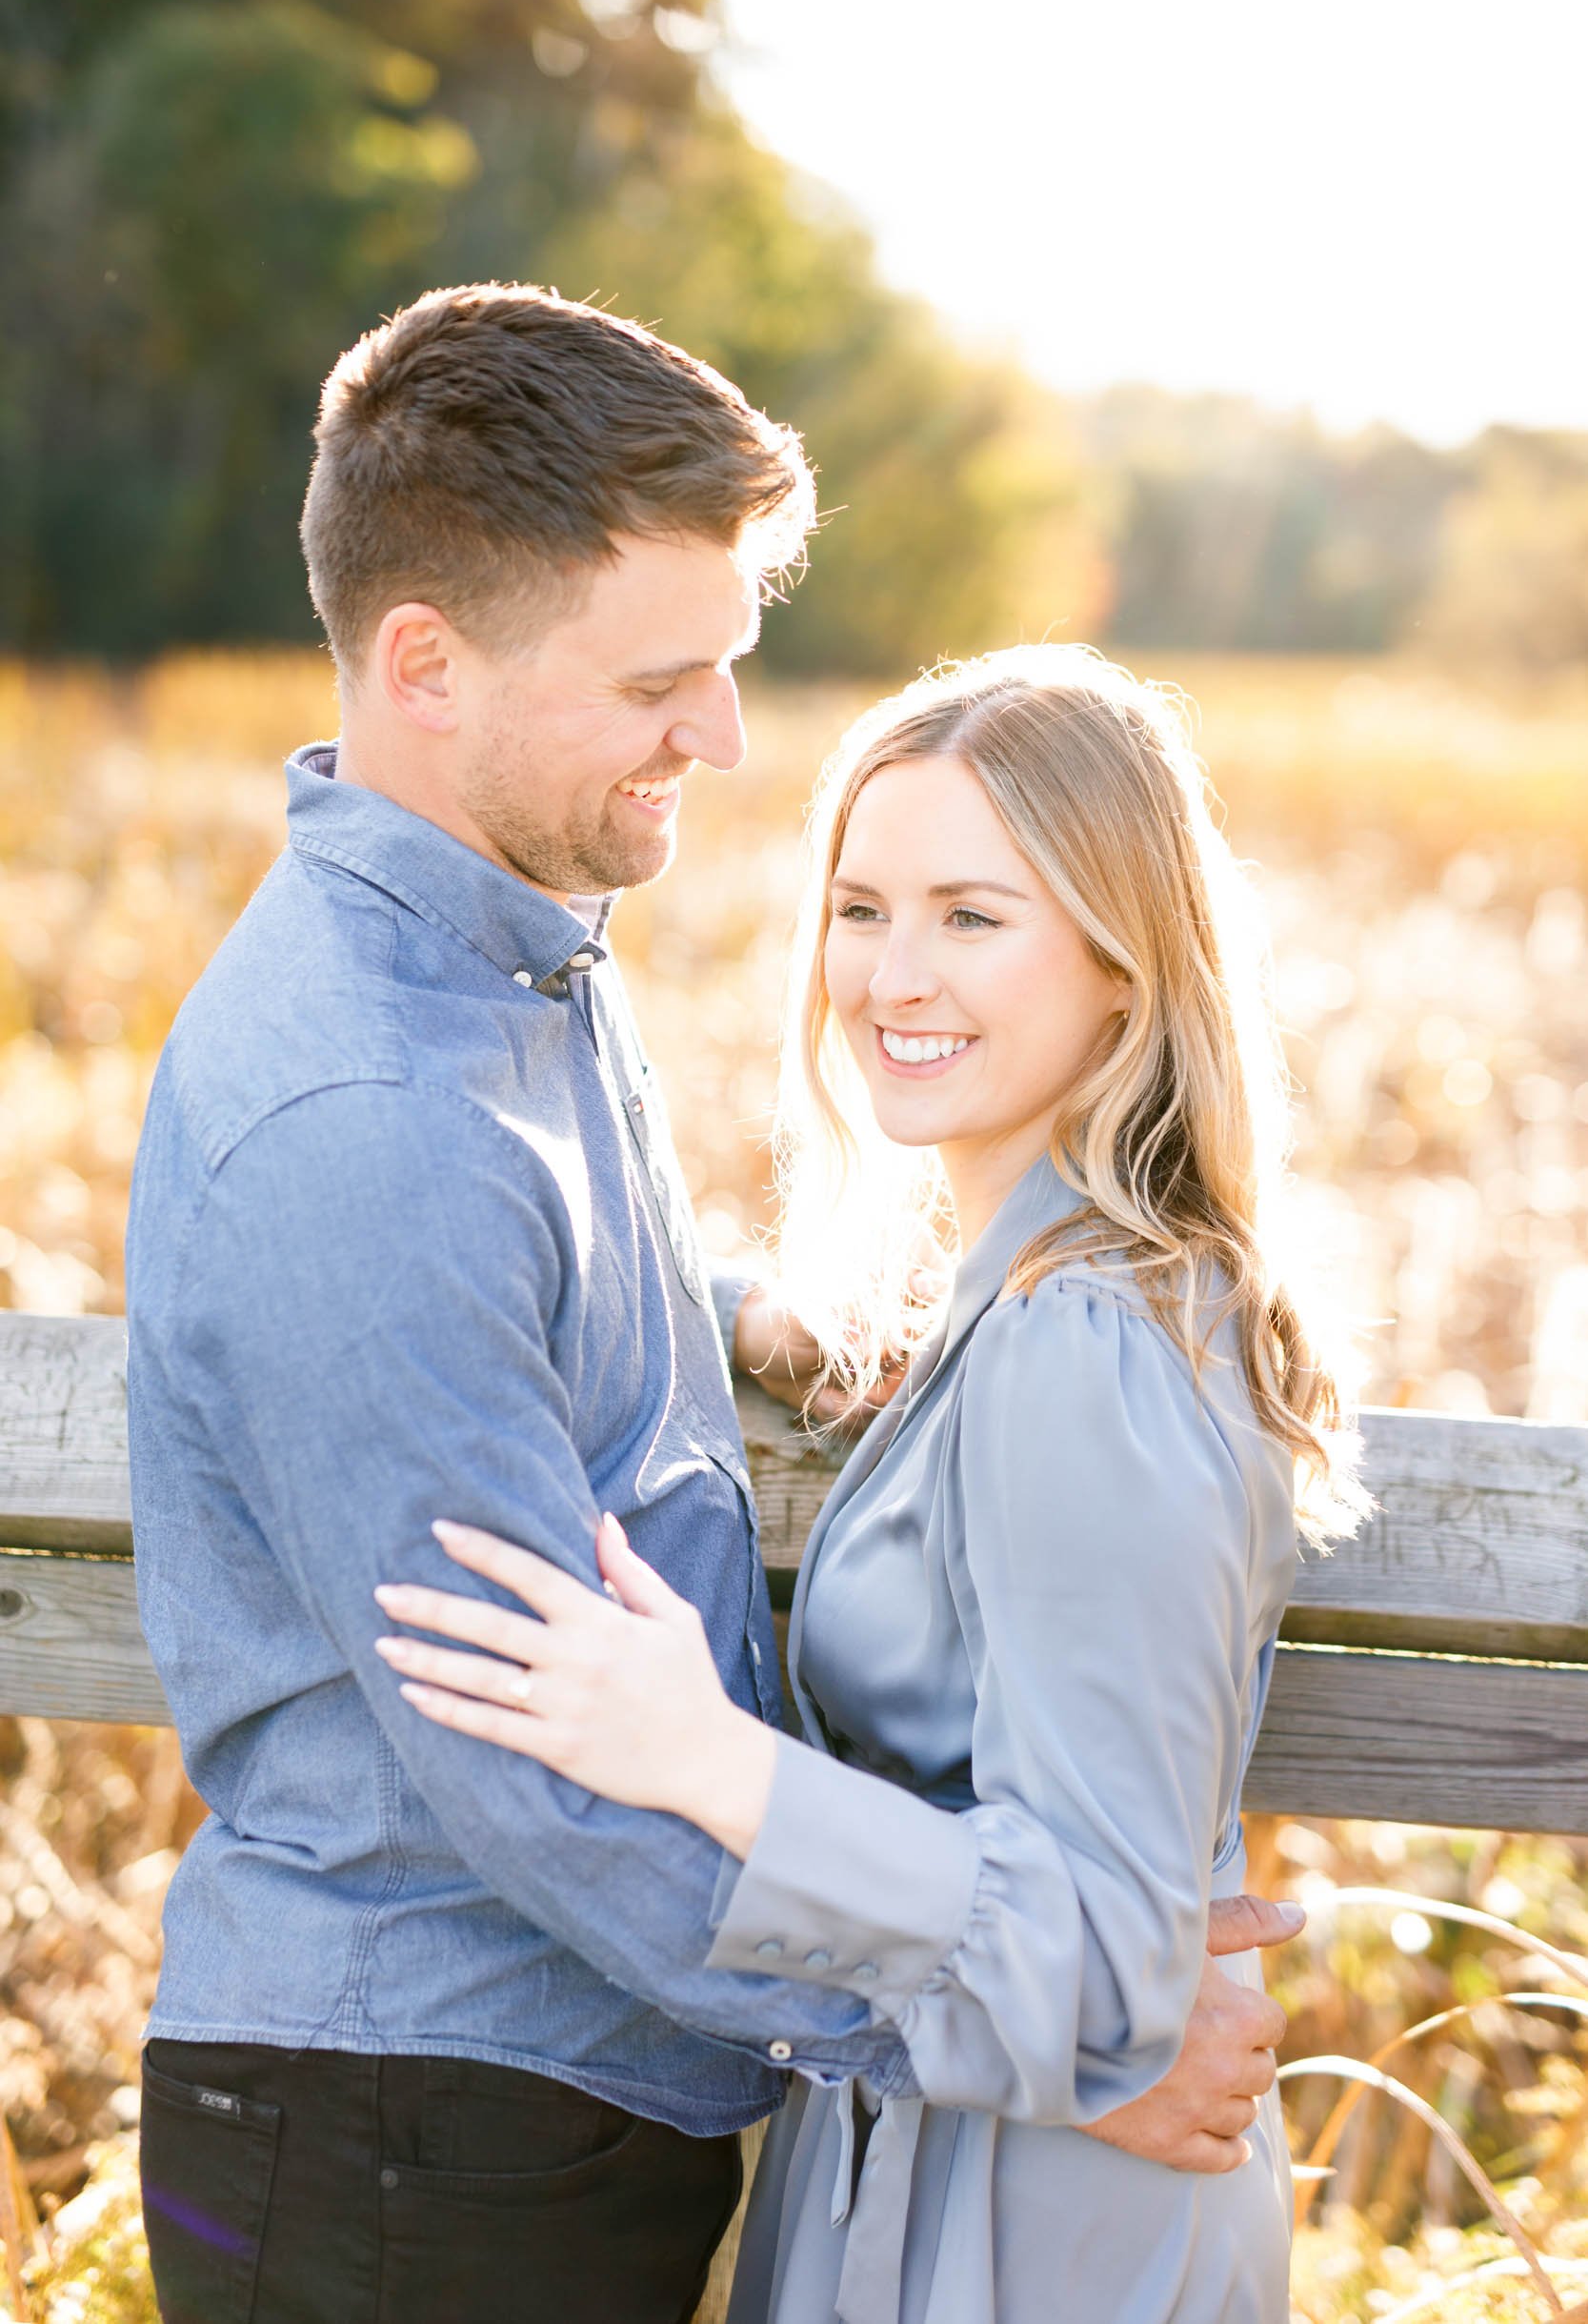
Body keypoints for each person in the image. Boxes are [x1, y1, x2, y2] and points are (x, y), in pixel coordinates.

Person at [126, 286, 1301, 2324]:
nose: (725, 737)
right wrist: (1060, 2042)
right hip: (425, 2129)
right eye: (663, 676)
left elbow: (533, 1336)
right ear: (425, 662)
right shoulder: (373, 1106)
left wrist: (746, 1320)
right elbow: (545, 1771)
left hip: (532, 2120)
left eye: (729, 665)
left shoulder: (511, 974)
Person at [372, 646, 1369, 2323]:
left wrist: (708, 1762)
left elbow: (1107, 1963)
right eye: (862, 908)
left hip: (1041, 2221)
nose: (894, 975)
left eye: (975, 917)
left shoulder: (1085, 1350)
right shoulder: (1025, 1298)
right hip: (962, 2153)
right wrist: (750, 1314)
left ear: (1127, 962)